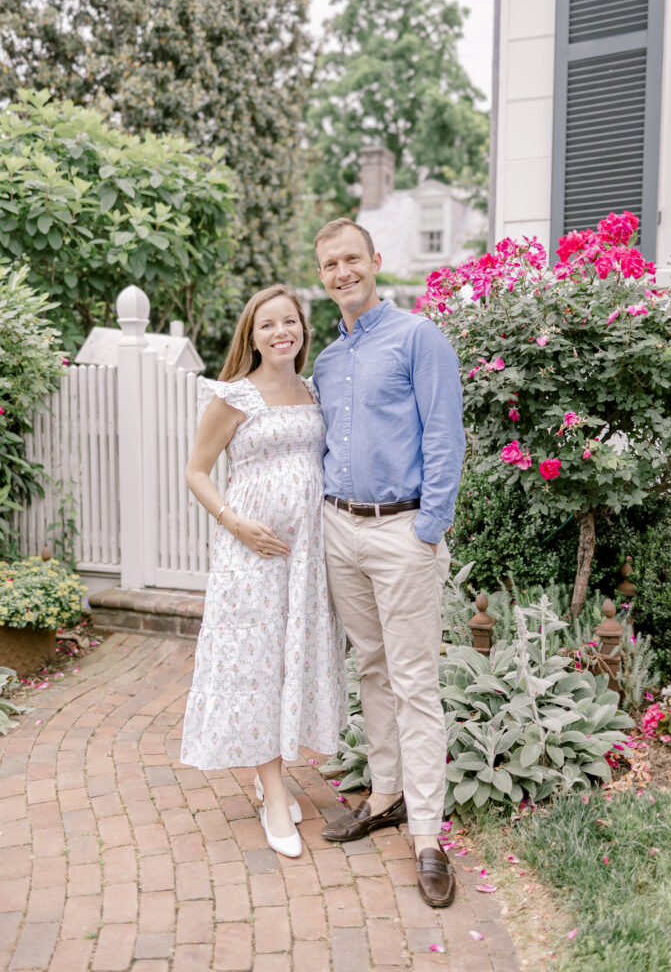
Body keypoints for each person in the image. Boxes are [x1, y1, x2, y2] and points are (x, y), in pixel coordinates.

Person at [313, 218, 465, 907]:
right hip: (340, 529)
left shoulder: (417, 337)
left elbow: (445, 434)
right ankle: (384, 796)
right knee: (370, 668)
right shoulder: (326, 360)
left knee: (413, 680)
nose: (341, 272)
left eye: (350, 259)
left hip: (402, 530)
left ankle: (428, 837)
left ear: (374, 261)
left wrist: (428, 529)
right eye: (328, 266)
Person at [181, 284, 347, 859]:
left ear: (303, 328)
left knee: (285, 662)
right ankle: (275, 796)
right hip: (253, 556)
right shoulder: (235, 396)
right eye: (269, 325)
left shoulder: (312, 390)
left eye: (291, 322)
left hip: (306, 559)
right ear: (251, 336)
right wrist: (236, 523)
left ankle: (266, 773)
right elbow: (197, 471)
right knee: (255, 665)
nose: (282, 333)